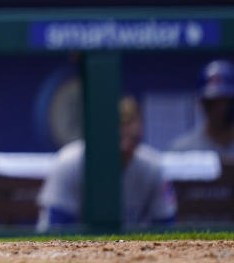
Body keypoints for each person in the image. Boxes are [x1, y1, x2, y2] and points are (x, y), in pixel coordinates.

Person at [37, 96, 176, 230]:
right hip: (77, 250)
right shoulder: (69, 162)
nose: (125, 145)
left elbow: (165, 224)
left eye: (132, 137)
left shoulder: (152, 166)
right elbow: (55, 227)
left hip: (132, 250)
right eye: (119, 134)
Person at [170, 60, 234, 156]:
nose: (219, 108)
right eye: (212, 102)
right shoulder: (182, 151)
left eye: (225, 100)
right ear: (201, 103)